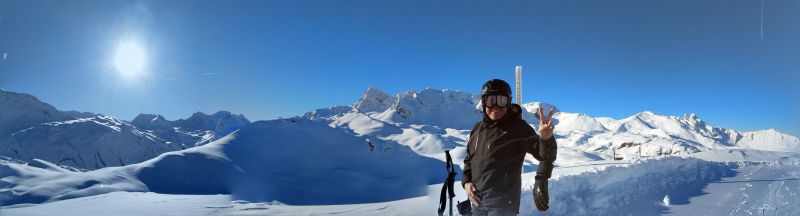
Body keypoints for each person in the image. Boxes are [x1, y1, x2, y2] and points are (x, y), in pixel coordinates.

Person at [462, 79, 557, 215]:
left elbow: (543, 155)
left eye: (501, 101)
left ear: (508, 103)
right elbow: (470, 159)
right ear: (483, 103)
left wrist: (545, 139)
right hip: (477, 203)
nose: (495, 106)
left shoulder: (519, 128)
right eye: (490, 101)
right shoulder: (477, 129)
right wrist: (466, 182)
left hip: (503, 206)